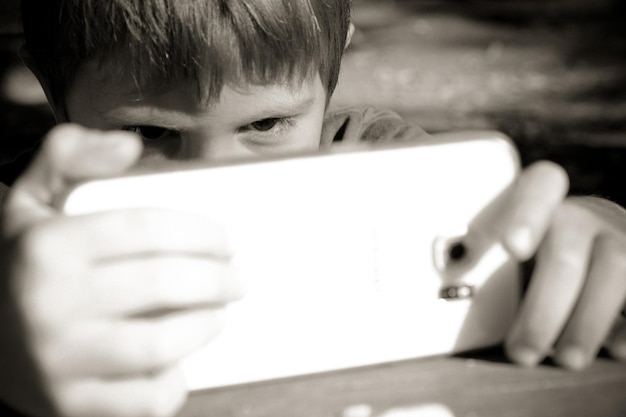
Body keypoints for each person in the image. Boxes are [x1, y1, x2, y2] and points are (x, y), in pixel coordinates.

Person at [0, 1, 624, 416]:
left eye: (267, 122)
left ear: (333, 71)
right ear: (51, 88)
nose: (221, 181)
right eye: (147, 135)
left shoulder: (380, 167)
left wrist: (594, 236)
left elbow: (524, 239)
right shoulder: (25, 227)